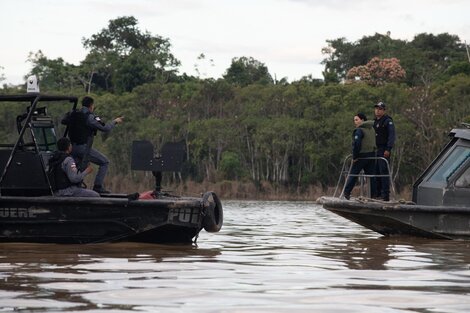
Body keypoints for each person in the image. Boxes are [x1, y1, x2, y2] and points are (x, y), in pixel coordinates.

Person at [62, 96, 123, 194]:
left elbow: (63, 121)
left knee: (79, 169)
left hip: (71, 149)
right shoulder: (89, 117)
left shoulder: (73, 113)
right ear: (91, 106)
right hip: (83, 149)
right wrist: (115, 121)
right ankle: (98, 186)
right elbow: (105, 128)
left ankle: (74, 188)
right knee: (105, 162)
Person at [343, 113, 377, 200]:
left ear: (362, 120)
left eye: (357, 120)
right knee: (371, 176)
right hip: (372, 155)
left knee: (353, 174)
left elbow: (357, 144)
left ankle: (346, 193)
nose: (355, 122)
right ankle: (373, 195)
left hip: (361, 156)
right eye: (354, 120)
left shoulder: (359, 130)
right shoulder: (372, 128)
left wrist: (355, 157)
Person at [373, 101, 395, 201]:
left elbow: (391, 136)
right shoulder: (375, 122)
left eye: (380, 109)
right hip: (376, 150)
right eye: (376, 108)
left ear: (384, 110)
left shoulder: (387, 121)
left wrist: (388, 149)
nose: (378, 110)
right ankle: (378, 194)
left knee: (383, 172)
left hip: (384, 149)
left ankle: (385, 195)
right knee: (376, 172)